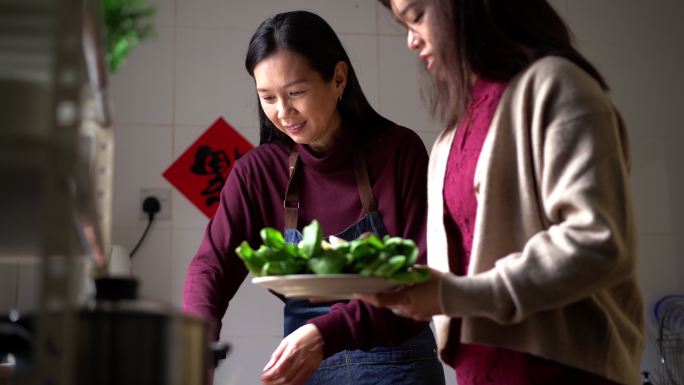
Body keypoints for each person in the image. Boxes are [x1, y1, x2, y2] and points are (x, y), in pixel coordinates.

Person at [360, 1, 645, 385]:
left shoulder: (555, 85)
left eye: (416, 16)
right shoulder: (452, 134)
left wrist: (453, 295)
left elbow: (596, 243)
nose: (411, 40)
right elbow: (459, 270)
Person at [182, 10, 446, 385]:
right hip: (306, 366)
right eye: (268, 97)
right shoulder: (256, 172)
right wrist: (197, 350)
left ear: (338, 78)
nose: (282, 112)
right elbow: (210, 268)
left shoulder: (397, 151)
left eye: (296, 93)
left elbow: (422, 274)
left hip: (396, 361)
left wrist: (327, 333)